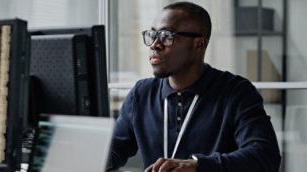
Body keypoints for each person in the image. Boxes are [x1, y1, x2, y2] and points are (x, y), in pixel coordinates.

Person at [107, 2, 281, 172]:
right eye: (152, 35)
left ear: (199, 44)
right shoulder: (141, 93)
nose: (154, 45)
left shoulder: (236, 92)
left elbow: (265, 156)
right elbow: (115, 149)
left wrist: (197, 166)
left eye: (167, 36)